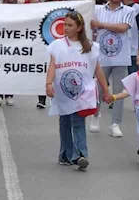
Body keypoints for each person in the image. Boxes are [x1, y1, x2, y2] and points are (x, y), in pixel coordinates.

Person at [45, 12, 110, 170]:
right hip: (63, 91)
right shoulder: (57, 45)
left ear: (79, 28)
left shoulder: (91, 47)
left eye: (70, 25)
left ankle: (81, 154)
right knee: (65, 121)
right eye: (65, 24)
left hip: (82, 92)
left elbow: (97, 69)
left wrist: (106, 90)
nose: (66, 28)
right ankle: (66, 154)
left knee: (78, 121)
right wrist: (48, 83)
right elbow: (52, 65)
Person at [90, 0, 135, 138]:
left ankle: (115, 123)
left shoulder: (129, 11)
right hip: (101, 57)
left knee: (119, 92)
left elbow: (122, 28)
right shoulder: (97, 9)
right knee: (99, 90)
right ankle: (96, 115)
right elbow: (90, 25)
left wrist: (101, 25)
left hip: (121, 57)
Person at [0, 0, 39, 106]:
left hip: (15, 43)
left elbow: (36, 2)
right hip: (0, 42)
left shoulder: (19, 5)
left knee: (11, 68)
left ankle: (9, 94)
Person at [37, 0, 62, 109]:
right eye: (47, 0)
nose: (47, 2)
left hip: (58, 47)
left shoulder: (63, 14)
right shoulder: (42, 11)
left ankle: (57, 97)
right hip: (44, 46)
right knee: (43, 70)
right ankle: (41, 98)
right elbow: (35, 2)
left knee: (58, 71)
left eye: (50, 0)